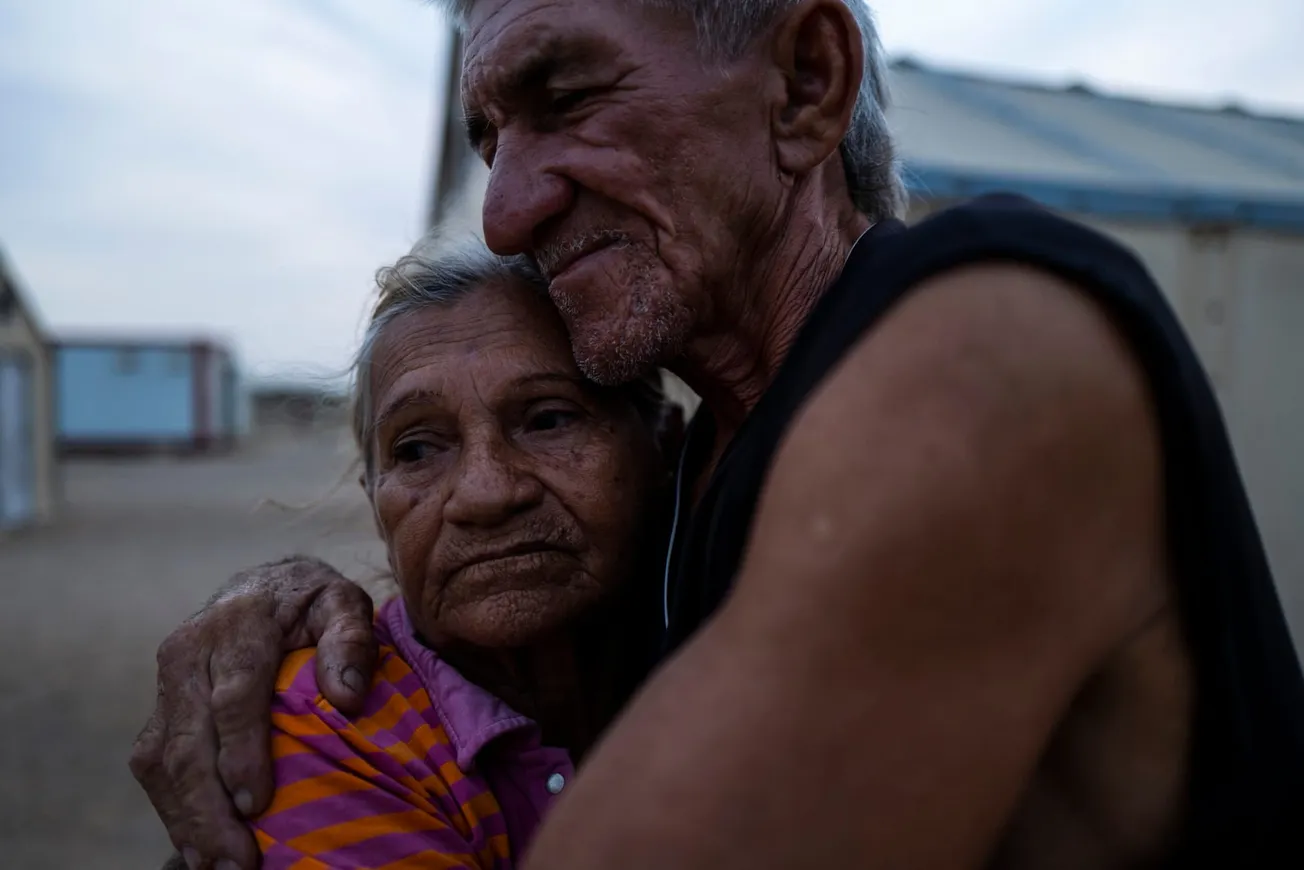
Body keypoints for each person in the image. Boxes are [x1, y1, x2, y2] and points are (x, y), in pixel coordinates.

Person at [132, 1, 1304, 867]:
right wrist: (285, 605)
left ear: (804, 81)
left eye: (568, 100)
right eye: (491, 139)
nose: (507, 209)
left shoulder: (985, 342)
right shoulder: (698, 465)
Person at [157, 235, 672, 870]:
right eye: (417, 450)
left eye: (548, 419)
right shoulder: (329, 728)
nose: (485, 493)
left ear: (665, 445)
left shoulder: (736, 627)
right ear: (375, 501)